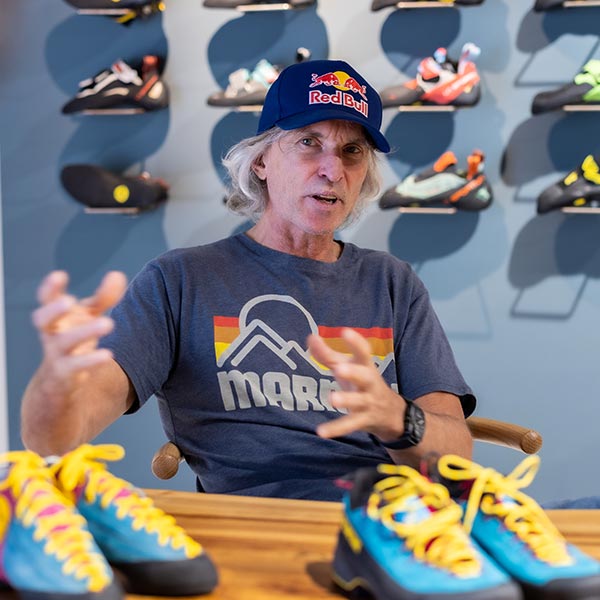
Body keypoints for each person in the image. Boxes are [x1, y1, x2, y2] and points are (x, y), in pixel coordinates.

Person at [21, 59, 475, 501]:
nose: (333, 170)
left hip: (380, 521)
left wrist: (398, 418)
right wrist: (54, 385)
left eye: (352, 151)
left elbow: (456, 455)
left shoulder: (392, 283)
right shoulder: (180, 281)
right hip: (247, 521)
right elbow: (54, 439)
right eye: (308, 142)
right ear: (260, 161)